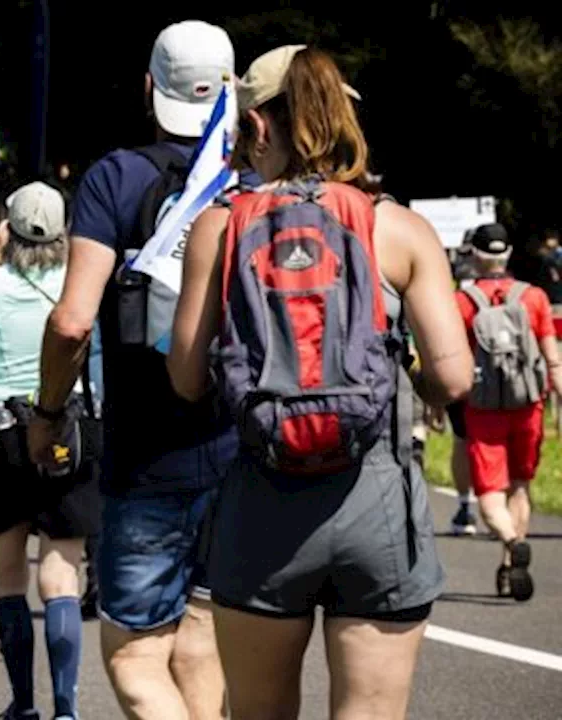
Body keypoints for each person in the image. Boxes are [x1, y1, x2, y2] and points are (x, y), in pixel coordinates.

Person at [165, 45, 472, 719]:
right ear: (343, 119)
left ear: (257, 127)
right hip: (378, 507)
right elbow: (453, 376)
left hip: (261, 508)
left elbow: (187, 379)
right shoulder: (398, 227)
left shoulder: (219, 228)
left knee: (257, 710)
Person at [27, 21, 240, 719]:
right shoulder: (250, 177)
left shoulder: (117, 176)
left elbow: (72, 320)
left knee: (135, 655)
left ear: (150, 88)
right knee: (202, 637)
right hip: (240, 446)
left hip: (145, 453)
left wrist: (49, 412)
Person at [0, 182, 100, 720]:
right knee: (62, 574)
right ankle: (67, 707)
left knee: (8, 575)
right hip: (67, 427)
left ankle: (23, 703)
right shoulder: (77, 282)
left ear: (8, 229)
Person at [455, 222, 562, 601]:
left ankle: (511, 540)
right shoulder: (532, 297)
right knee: (521, 484)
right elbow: (552, 356)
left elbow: (452, 358)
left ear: (476, 257)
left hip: (484, 409)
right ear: (508, 254)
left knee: (489, 493)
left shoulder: (463, 303)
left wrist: (439, 403)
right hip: (526, 404)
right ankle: (508, 564)